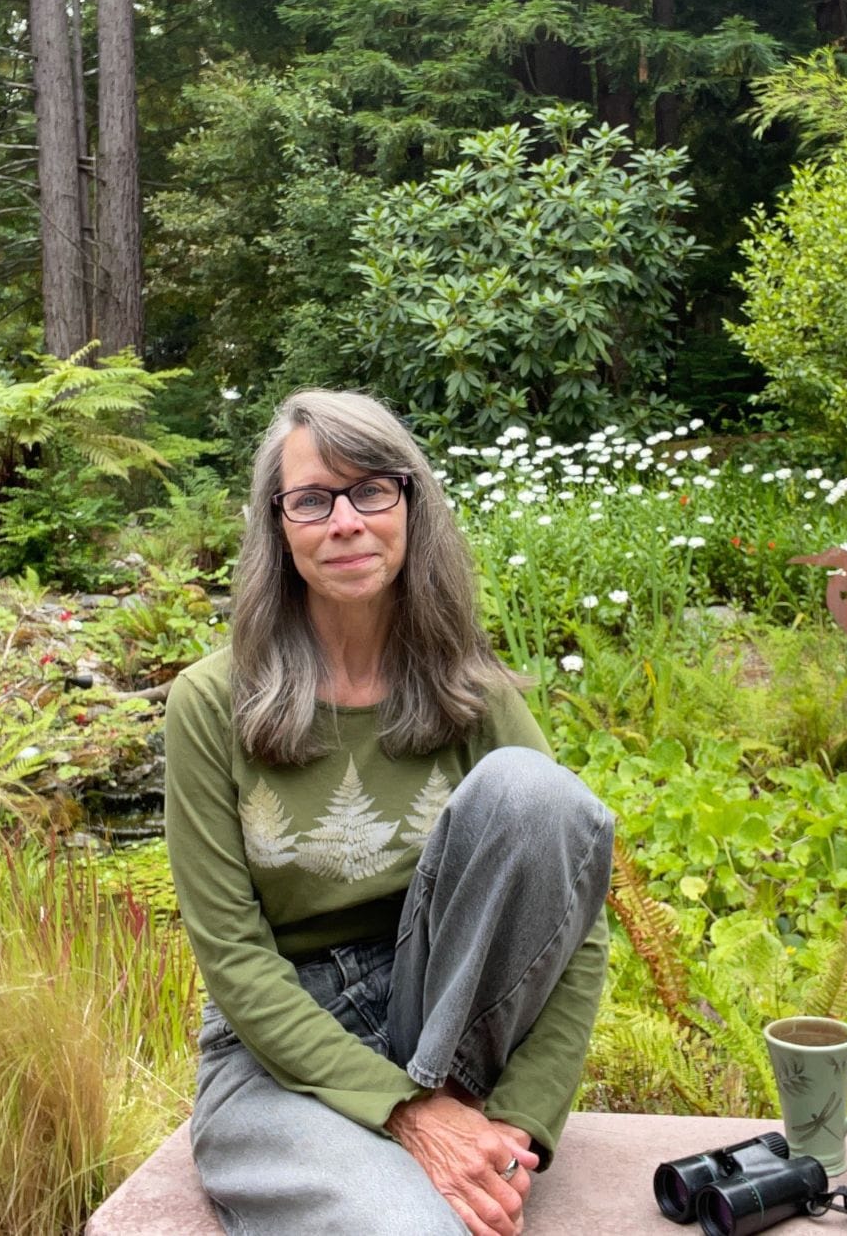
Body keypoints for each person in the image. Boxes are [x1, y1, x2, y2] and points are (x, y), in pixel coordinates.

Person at [164, 389, 614, 1236]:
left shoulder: (470, 694)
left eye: (372, 489)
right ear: (279, 525)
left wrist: (519, 1120)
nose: (345, 521)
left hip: (443, 1018)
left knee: (536, 792)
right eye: (312, 499)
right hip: (274, 1053)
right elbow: (232, 957)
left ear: (411, 505)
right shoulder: (210, 702)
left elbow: (574, 927)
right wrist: (411, 1113)